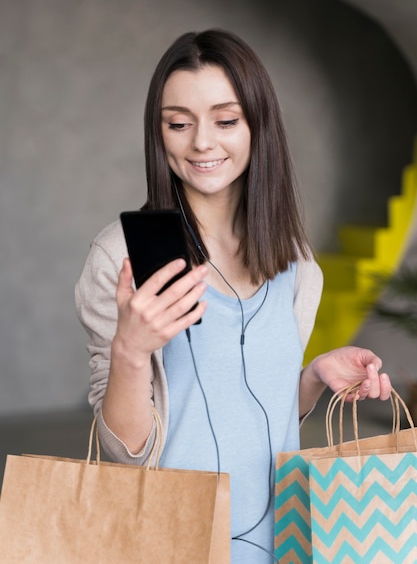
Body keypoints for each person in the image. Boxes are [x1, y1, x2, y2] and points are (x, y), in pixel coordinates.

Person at [75, 29, 392, 563]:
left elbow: (251, 413)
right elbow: (123, 454)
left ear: (258, 127)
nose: (202, 142)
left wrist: (312, 378)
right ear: (159, 133)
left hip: (290, 543)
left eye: (226, 121)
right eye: (179, 123)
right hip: (178, 545)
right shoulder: (122, 258)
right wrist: (130, 351)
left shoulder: (294, 259)